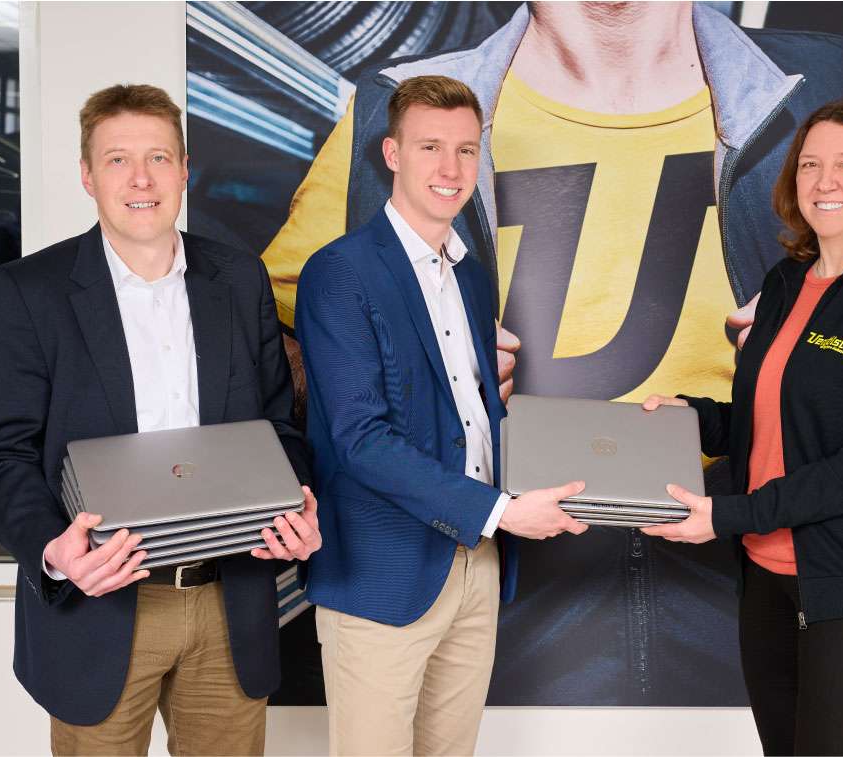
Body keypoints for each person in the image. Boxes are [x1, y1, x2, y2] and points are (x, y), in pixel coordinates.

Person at [259, 2, 843, 704]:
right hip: (491, 565)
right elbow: (270, 349)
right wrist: (413, 355)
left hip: (758, 557)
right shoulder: (396, 110)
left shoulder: (827, 87)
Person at [0, 84, 323, 755]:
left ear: (185, 169)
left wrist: (295, 503)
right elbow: (1, 456)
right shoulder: (30, 291)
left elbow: (278, 428)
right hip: (99, 604)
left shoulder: (239, 278)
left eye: (158, 157)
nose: (140, 178)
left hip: (230, 598)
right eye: (117, 159)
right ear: (87, 175)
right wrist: (52, 547)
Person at [641, 99, 843, 755]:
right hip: (767, 572)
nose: (825, 181)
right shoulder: (789, 281)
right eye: (810, 165)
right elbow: (777, 419)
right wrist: (697, 420)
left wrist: (731, 513)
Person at [294, 75, 586, 755]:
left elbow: (470, 416)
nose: (450, 168)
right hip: (382, 569)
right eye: (430, 147)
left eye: (465, 149)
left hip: (476, 562)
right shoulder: (339, 272)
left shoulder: (471, 276)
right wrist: (502, 511)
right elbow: (360, 439)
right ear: (392, 153)